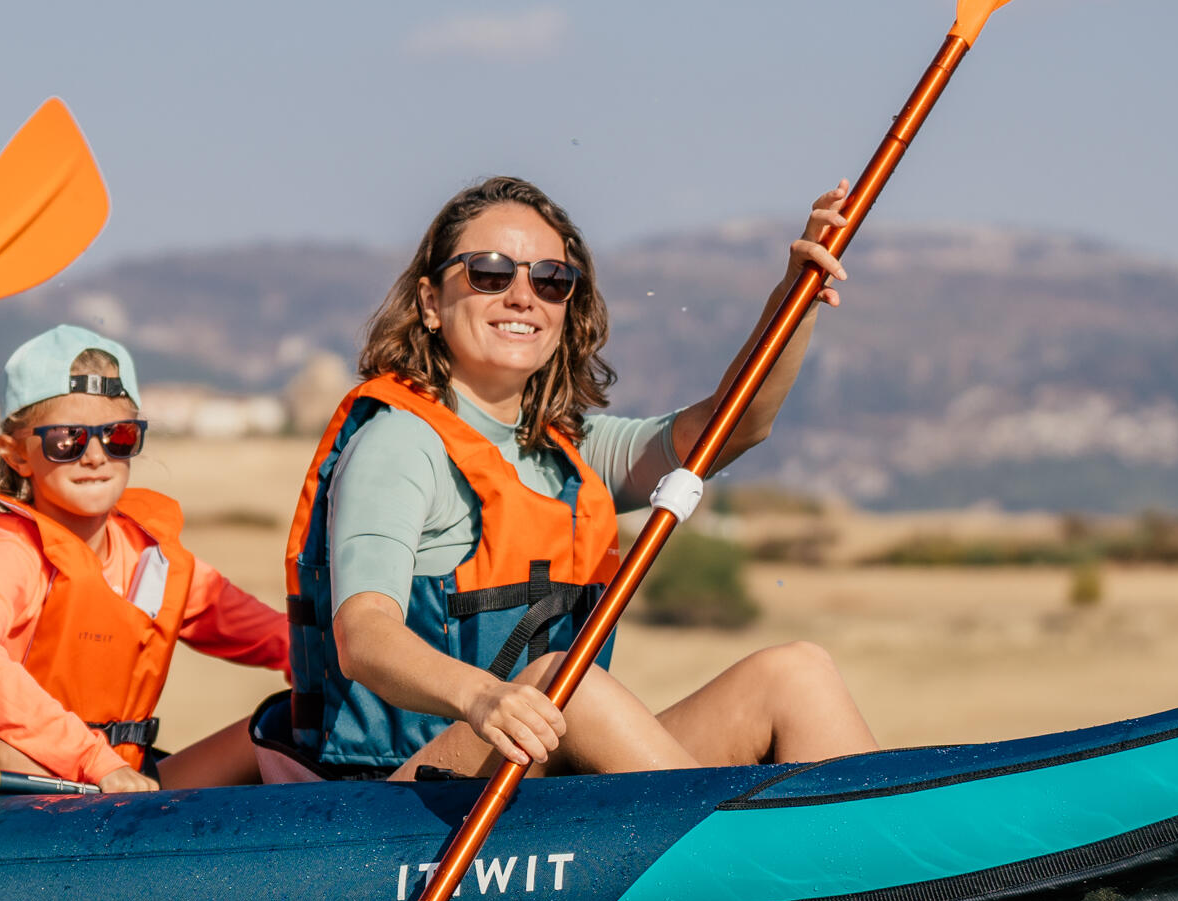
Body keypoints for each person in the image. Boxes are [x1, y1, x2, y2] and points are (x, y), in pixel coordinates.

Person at [283, 175, 880, 782]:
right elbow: (364, 635)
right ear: (431, 302)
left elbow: (736, 424)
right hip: (394, 805)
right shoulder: (398, 442)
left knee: (796, 674)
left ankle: (887, 871)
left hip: (537, 781)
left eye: (549, 280)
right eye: (489, 273)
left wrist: (798, 290)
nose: (523, 296)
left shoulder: (569, 452)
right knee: (565, 685)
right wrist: (483, 698)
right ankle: (731, 863)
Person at [0, 325, 290, 792]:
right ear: (16, 454)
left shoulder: (155, 561)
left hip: (115, 788)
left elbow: (279, 638)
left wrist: (339, 665)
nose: (95, 456)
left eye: (118, 435)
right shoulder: (11, 549)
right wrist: (94, 761)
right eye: (66, 439)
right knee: (8, 755)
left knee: (284, 726)